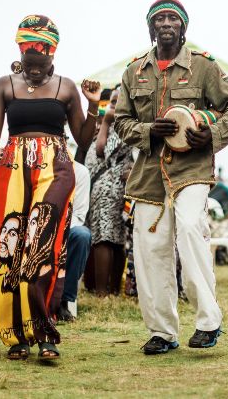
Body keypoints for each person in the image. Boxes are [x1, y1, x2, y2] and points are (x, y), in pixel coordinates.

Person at [114, 0, 228, 354]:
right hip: (148, 173)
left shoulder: (203, 66)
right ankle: (162, 332)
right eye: (159, 19)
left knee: (190, 230)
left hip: (192, 168)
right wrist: (148, 131)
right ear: (151, 27)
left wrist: (213, 134)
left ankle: (208, 322)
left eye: (173, 18)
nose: (166, 24)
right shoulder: (133, 72)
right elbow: (121, 122)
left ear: (183, 27)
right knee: (151, 250)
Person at [0, 14, 101, 360]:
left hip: (56, 169)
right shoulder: (4, 85)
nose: (34, 69)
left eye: (40, 63)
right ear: (21, 53)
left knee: (43, 246)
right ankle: (16, 335)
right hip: (12, 169)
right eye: (28, 61)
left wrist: (94, 104)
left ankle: (46, 331)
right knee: (10, 248)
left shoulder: (66, 87)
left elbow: (83, 139)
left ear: (52, 55)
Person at [85, 87, 133, 297]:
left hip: (109, 187)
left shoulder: (120, 126)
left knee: (105, 237)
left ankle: (103, 291)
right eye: (112, 102)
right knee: (114, 237)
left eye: (117, 102)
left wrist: (105, 122)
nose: (113, 106)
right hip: (109, 186)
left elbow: (101, 150)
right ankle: (112, 289)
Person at [57, 160, 92, 322]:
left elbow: (79, 215)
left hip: (65, 228)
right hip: (36, 228)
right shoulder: (35, 166)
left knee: (82, 235)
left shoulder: (80, 171)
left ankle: (63, 300)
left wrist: (57, 231)